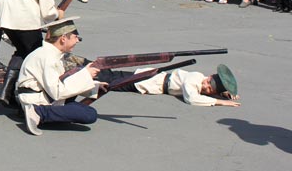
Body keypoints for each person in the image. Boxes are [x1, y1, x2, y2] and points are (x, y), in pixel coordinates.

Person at [0, 0, 73, 106]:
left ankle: (6, 92)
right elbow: (47, 11)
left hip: (4, 11)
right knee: (36, 52)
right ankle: (25, 93)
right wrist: (58, 13)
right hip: (22, 12)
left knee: (23, 50)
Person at [15, 17, 101, 136]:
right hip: (36, 99)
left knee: (88, 112)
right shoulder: (47, 57)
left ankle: (39, 112)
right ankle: (38, 112)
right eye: (75, 37)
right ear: (63, 38)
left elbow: (62, 81)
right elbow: (57, 92)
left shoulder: (50, 54)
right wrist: (86, 74)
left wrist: (94, 86)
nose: (77, 41)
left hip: (43, 96)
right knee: (89, 115)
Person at [101, 64, 240, 107]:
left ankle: (91, 71)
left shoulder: (201, 82)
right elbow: (191, 98)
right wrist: (220, 102)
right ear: (208, 77)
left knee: (113, 78)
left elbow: (204, 93)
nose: (206, 88)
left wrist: (223, 92)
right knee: (112, 81)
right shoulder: (194, 78)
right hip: (149, 81)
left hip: (154, 81)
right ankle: (87, 71)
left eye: (210, 90)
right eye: (208, 84)